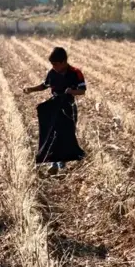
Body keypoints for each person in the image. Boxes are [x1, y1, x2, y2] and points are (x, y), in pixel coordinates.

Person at [22, 47, 86, 175]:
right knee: (52, 133)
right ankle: (54, 163)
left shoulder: (75, 73)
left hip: (69, 106)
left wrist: (71, 91)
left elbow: (82, 90)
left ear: (64, 62)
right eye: (52, 64)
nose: (53, 66)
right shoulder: (52, 73)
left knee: (67, 133)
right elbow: (44, 85)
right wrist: (31, 89)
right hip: (54, 105)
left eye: (56, 64)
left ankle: (63, 161)